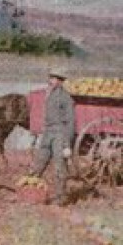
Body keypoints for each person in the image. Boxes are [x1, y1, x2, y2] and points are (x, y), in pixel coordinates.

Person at [30, 69, 76, 204]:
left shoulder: (66, 98)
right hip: (48, 132)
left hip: (60, 134)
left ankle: (60, 197)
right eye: (50, 78)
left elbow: (70, 122)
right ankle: (31, 192)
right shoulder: (49, 94)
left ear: (61, 81)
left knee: (59, 166)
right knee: (39, 162)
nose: (51, 81)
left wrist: (67, 145)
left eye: (54, 79)